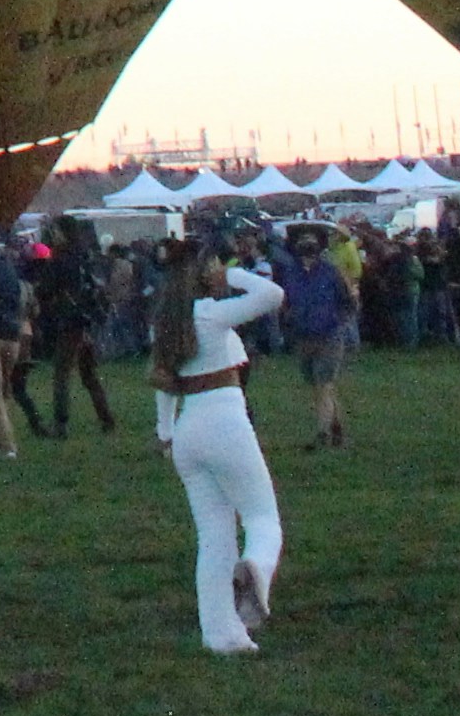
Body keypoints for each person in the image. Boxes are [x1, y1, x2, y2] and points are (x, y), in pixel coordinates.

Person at [149, 234, 286, 655]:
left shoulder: (166, 323)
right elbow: (273, 295)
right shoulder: (209, 313)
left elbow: (164, 383)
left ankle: (221, 635)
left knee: (213, 537)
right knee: (262, 519)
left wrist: (165, 432)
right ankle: (255, 573)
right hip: (224, 420)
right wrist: (234, 276)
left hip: (187, 430)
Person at [25, 225, 115, 438]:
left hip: (70, 322)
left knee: (62, 373)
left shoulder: (61, 259)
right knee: (89, 375)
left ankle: (61, 423)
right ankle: (106, 419)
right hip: (87, 321)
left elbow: (46, 289)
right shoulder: (85, 257)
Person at [276, 230, 357, 451]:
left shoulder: (331, 272)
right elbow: (285, 301)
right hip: (303, 335)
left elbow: (348, 301)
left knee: (324, 383)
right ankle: (336, 426)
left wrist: (339, 322)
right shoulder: (290, 273)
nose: (307, 247)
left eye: (311, 243)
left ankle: (322, 433)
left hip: (330, 335)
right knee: (318, 385)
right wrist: (289, 320)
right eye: (304, 242)